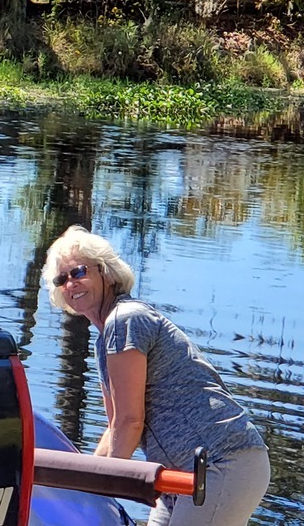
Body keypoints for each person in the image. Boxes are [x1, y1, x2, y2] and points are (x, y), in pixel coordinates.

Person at [43, 225, 270, 526]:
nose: (71, 283)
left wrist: (98, 489)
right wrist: (84, 482)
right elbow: (115, 427)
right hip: (181, 476)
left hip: (220, 462)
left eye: (79, 272)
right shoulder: (105, 340)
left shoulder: (126, 320)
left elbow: (130, 422)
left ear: (105, 271)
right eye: (62, 279)